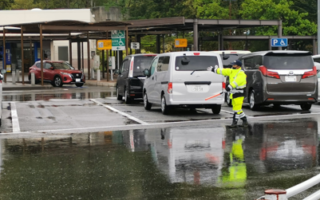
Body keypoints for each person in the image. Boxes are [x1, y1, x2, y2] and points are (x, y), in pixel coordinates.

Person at [208, 60, 248, 127]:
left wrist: (230, 86)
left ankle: (234, 123)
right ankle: (244, 120)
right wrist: (214, 70)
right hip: (233, 93)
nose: (233, 65)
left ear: (238, 66)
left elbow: (237, 81)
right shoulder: (232, 71)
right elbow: (223, 71)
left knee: (237, 109)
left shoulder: (241, 73)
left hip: (239, 93)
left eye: (234, 65)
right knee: (237, 109)